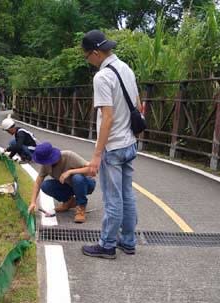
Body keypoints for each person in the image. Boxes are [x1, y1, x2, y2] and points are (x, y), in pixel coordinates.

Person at [81, 29, 141, 259]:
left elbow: (107, 117)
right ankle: (128, 241)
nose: (89, 62)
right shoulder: (127, 69)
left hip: (113, 146)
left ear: (96, 53)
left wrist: (97, 154)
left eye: (87, 57)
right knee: (127, 195)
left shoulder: (102, 77)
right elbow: (138, 104)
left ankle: (107, 245)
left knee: (112, 198)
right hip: (130, 143)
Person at [28, 142, 96, 224]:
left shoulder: (68, 155)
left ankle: (81, 206)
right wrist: (33, 202)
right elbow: (38, 182)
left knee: (77, 178)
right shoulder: (46, 165)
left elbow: (93, 170)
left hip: (85, 184)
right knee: (45, 185)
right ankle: (69, 201)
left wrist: (70, 172)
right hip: (68, 186)